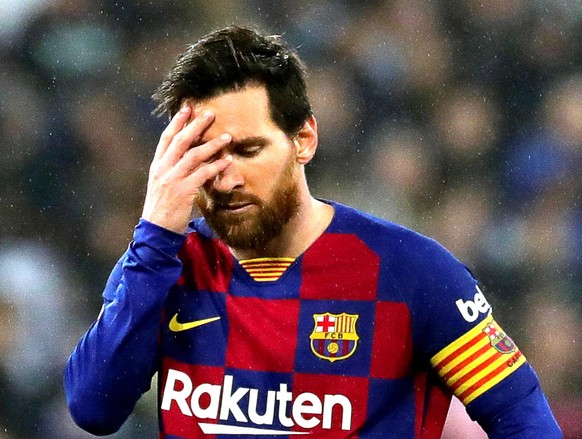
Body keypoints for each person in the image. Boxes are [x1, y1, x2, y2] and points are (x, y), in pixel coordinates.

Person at [64, 26, 562, 438]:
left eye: (247, 150)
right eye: (205, 157)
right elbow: (93, 408)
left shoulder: (411, 271)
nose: (227, 178)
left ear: (303, 139)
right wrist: (154, 233)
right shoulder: (166, 264)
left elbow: (520, 414)